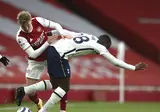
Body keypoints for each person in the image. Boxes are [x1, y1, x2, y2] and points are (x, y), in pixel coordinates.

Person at [16, 29, 147, 112]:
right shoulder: (99, 46)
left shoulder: (89, 36)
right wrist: (133, 67)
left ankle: (25, 90)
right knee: (64, 87)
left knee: (56, 84)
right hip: (59, 55)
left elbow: (68, 33)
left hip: (54, 50)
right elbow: (114, 61)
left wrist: (55, 32)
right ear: (105, 45)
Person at [15, 11, 69, 112]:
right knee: (30, 92)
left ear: (30, 20)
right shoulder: (20, 36)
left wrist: (62, 34)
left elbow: (56, 25)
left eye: (28, 24)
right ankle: (38, 102)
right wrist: (47, 42)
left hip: (50, 55)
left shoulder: (38, 21)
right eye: (23, 26)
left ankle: (63, 110)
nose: (26, 28)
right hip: (36, 61)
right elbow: (33, 54)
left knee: (62, 81)